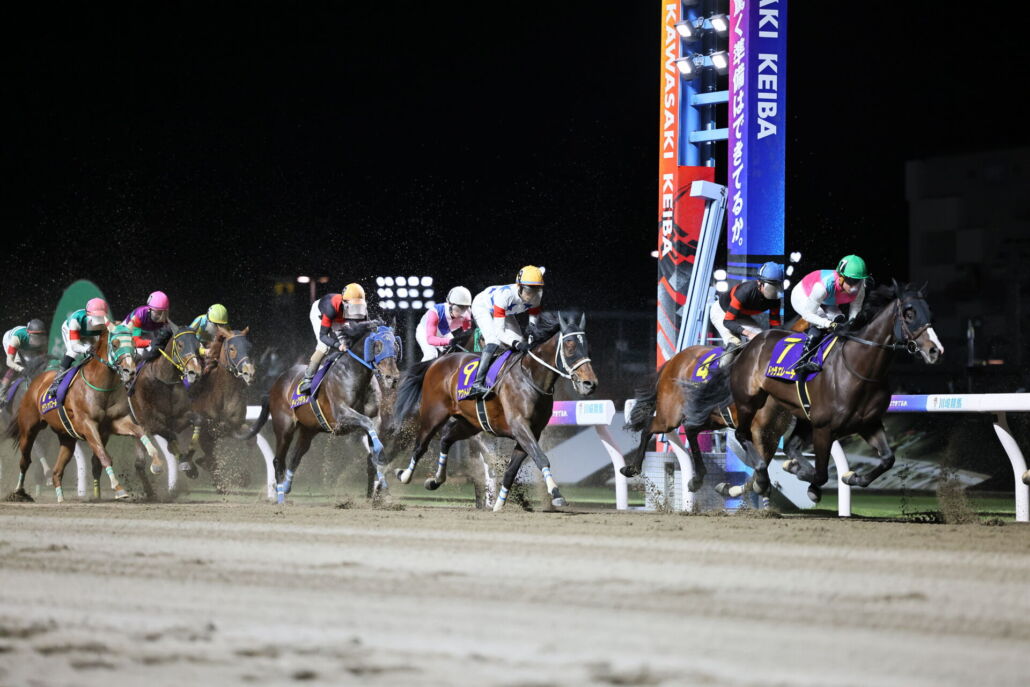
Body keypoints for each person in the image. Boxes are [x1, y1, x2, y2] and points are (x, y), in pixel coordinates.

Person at [466, 265, 544, 399]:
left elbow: (533, 319)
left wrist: (530, 334)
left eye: (536, 290)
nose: (531, 295)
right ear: (519, 286)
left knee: (521, 340)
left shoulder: (537, 295)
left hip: (505, 311)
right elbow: (499, 332)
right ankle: (476, 384)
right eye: (528, 290)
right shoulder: (505, 296)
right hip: (483, 307)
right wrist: (516, 344)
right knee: (494, 341)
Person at [790, 254, 870, 373]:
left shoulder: (860, 289)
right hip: (803, 295)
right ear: (841, 278)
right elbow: (808, 315)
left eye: (858, 281)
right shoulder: (822, 286)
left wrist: (850, 325)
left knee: (840, 320)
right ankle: (802, 361)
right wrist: (829, 324)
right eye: (852, 281)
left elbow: (854, 315)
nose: (855, 287)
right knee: (822, 321)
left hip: (827, 299)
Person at [299, 283, 368, 393]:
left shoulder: (358, 306)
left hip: (339, 316)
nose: (356, 311)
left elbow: (365, 330)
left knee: (349, 343)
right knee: (324, 347)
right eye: (354, 307)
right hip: (320, 315)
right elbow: (323, 336)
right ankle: (307, 379)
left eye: (358, 306)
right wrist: (338, 345)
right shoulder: (330, 308)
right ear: (345, 303)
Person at [709, 262, 784, 350]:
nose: (774, 291)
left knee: (761, 340)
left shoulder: (775, 299)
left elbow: (775, 324)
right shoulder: (744, 292)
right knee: (735, 344)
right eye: (771, 287)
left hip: (740, 315)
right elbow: (727, 321)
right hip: (721, 312)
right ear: (759, 283)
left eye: (777, 286)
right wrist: (749, 334)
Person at [56, 298, 116, 379]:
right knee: (73, 352)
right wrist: (85, 349)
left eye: (101, 316)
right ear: (88, 314)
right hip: (69, 329)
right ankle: (59, 378)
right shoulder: (76, 319)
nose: (99, 319)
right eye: (96, 316)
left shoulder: (107, 323)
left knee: (96, 351)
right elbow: (75, 346)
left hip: (88, 334)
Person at [416, 286, 473, 361]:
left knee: (455, 353)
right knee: (431, 355)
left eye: (465, 307)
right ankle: (420, 369)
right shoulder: (435, 312)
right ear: (450, 304)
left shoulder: (467, 312)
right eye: (459, 308)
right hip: (425, 333)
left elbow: (467, 334)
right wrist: (448, 341)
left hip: (444, 332)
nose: (462, 313)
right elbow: (430, 339)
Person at [0, 319, 47, 407]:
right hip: (10, 339)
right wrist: (22, 369)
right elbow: (9, 362)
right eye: (35, 337)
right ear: (29, 334)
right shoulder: (17, 337)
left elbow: (43, 360)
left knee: (35, 365)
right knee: (17, 363)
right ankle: (1, 393)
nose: (37, 340)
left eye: (40, 336)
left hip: (25, 344)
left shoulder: (43, 341)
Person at [124, 291, 172, 358]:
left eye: (164, 313)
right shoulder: (139, 316)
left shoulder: (165, 320)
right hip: (129, 330)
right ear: (149, 309)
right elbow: (135, 342)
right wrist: (150, 342)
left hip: (146, 331)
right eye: (158, 313)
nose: (161, 317)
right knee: (139, 354)